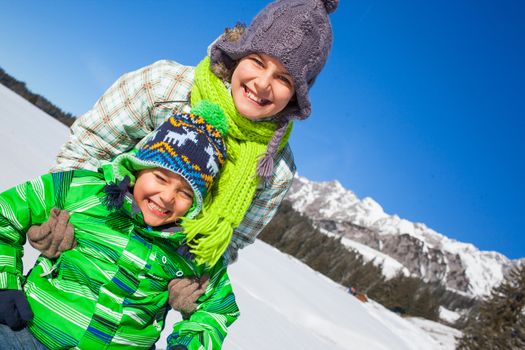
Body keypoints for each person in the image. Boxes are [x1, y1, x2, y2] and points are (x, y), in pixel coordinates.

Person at [28, 0, 338, 315]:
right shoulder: (168, 86)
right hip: (78, 261)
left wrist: (194, 279)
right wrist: (61, 211)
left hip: (138, 306)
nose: (263, 83)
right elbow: (90, 144)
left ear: (297, 94)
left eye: (284, 78)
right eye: (258, 61)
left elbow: (231, 241)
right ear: (238, 54)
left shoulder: (276, 168)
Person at [0, 102, 239, 349]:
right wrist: (4, 284)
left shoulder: (194, 248)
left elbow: (217, 310)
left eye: (186, 193)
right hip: (27, 335)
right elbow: (6, 212)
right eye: (160, 177)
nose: (167, 197)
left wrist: (187, 344)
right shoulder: (84, 191)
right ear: (137, 168)